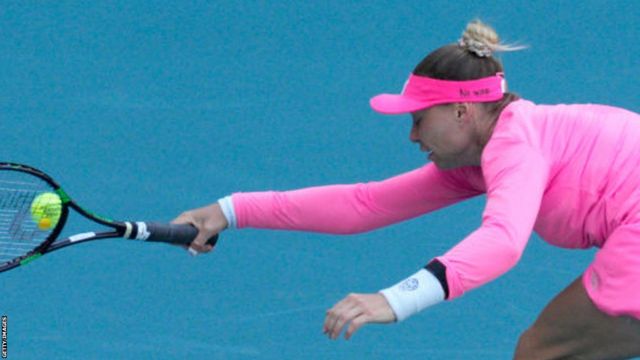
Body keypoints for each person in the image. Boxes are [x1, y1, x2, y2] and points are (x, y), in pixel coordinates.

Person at [173, 20, 640, 359]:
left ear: (462, 112)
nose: (413, 136)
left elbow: (502, 242)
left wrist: (394, 299)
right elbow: (364, 204)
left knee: (544, 352)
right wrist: (228, 211)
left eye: (419, 120)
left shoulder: (514, 147)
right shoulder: (492, 147)